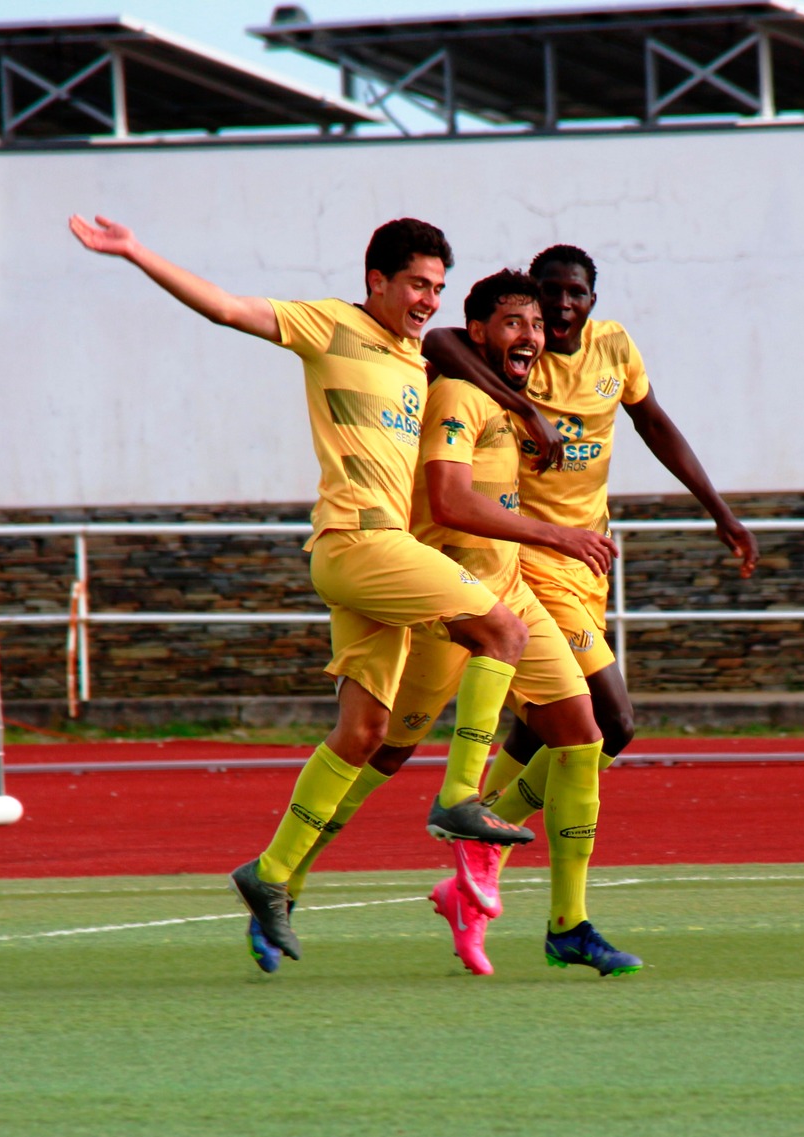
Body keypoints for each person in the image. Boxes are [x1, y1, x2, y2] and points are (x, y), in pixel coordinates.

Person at [68, 213, 536, 967]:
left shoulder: (419, 354)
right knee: (503, 633)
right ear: (375, 279)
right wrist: (134, 251)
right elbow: (226, 307)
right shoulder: (328, 326)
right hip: (358, 540)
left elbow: (458, 351)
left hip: (379, 556)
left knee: (362, 735)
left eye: (438, 288)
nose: (428, 299)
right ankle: (459, 797)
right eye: (417, 283)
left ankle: (271, 874)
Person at [256, 271, 643, 977]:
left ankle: (569, 923)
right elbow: (451, 498)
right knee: (381, 752)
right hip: (450, 607)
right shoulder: (457, 393)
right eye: (512, 323)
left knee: (585, 735)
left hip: (510, 593)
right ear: (479, 331)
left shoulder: (517, 392)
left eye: (534, 324)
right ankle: (286, 876)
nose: (529, 335)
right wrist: (554, 536)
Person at [429, 243, 758, 821]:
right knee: (613, 724)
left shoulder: (614, 346)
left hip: (589, 557)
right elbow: (439, 342)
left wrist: (719, 510)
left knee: (542, 726)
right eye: (547, 292)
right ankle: (480, 835)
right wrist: (524, 408)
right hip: (536, 554)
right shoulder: (514, 358)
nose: (559, 305)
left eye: (574, 293)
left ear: (592, 301)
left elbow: (653, 421)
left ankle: (480, 844)